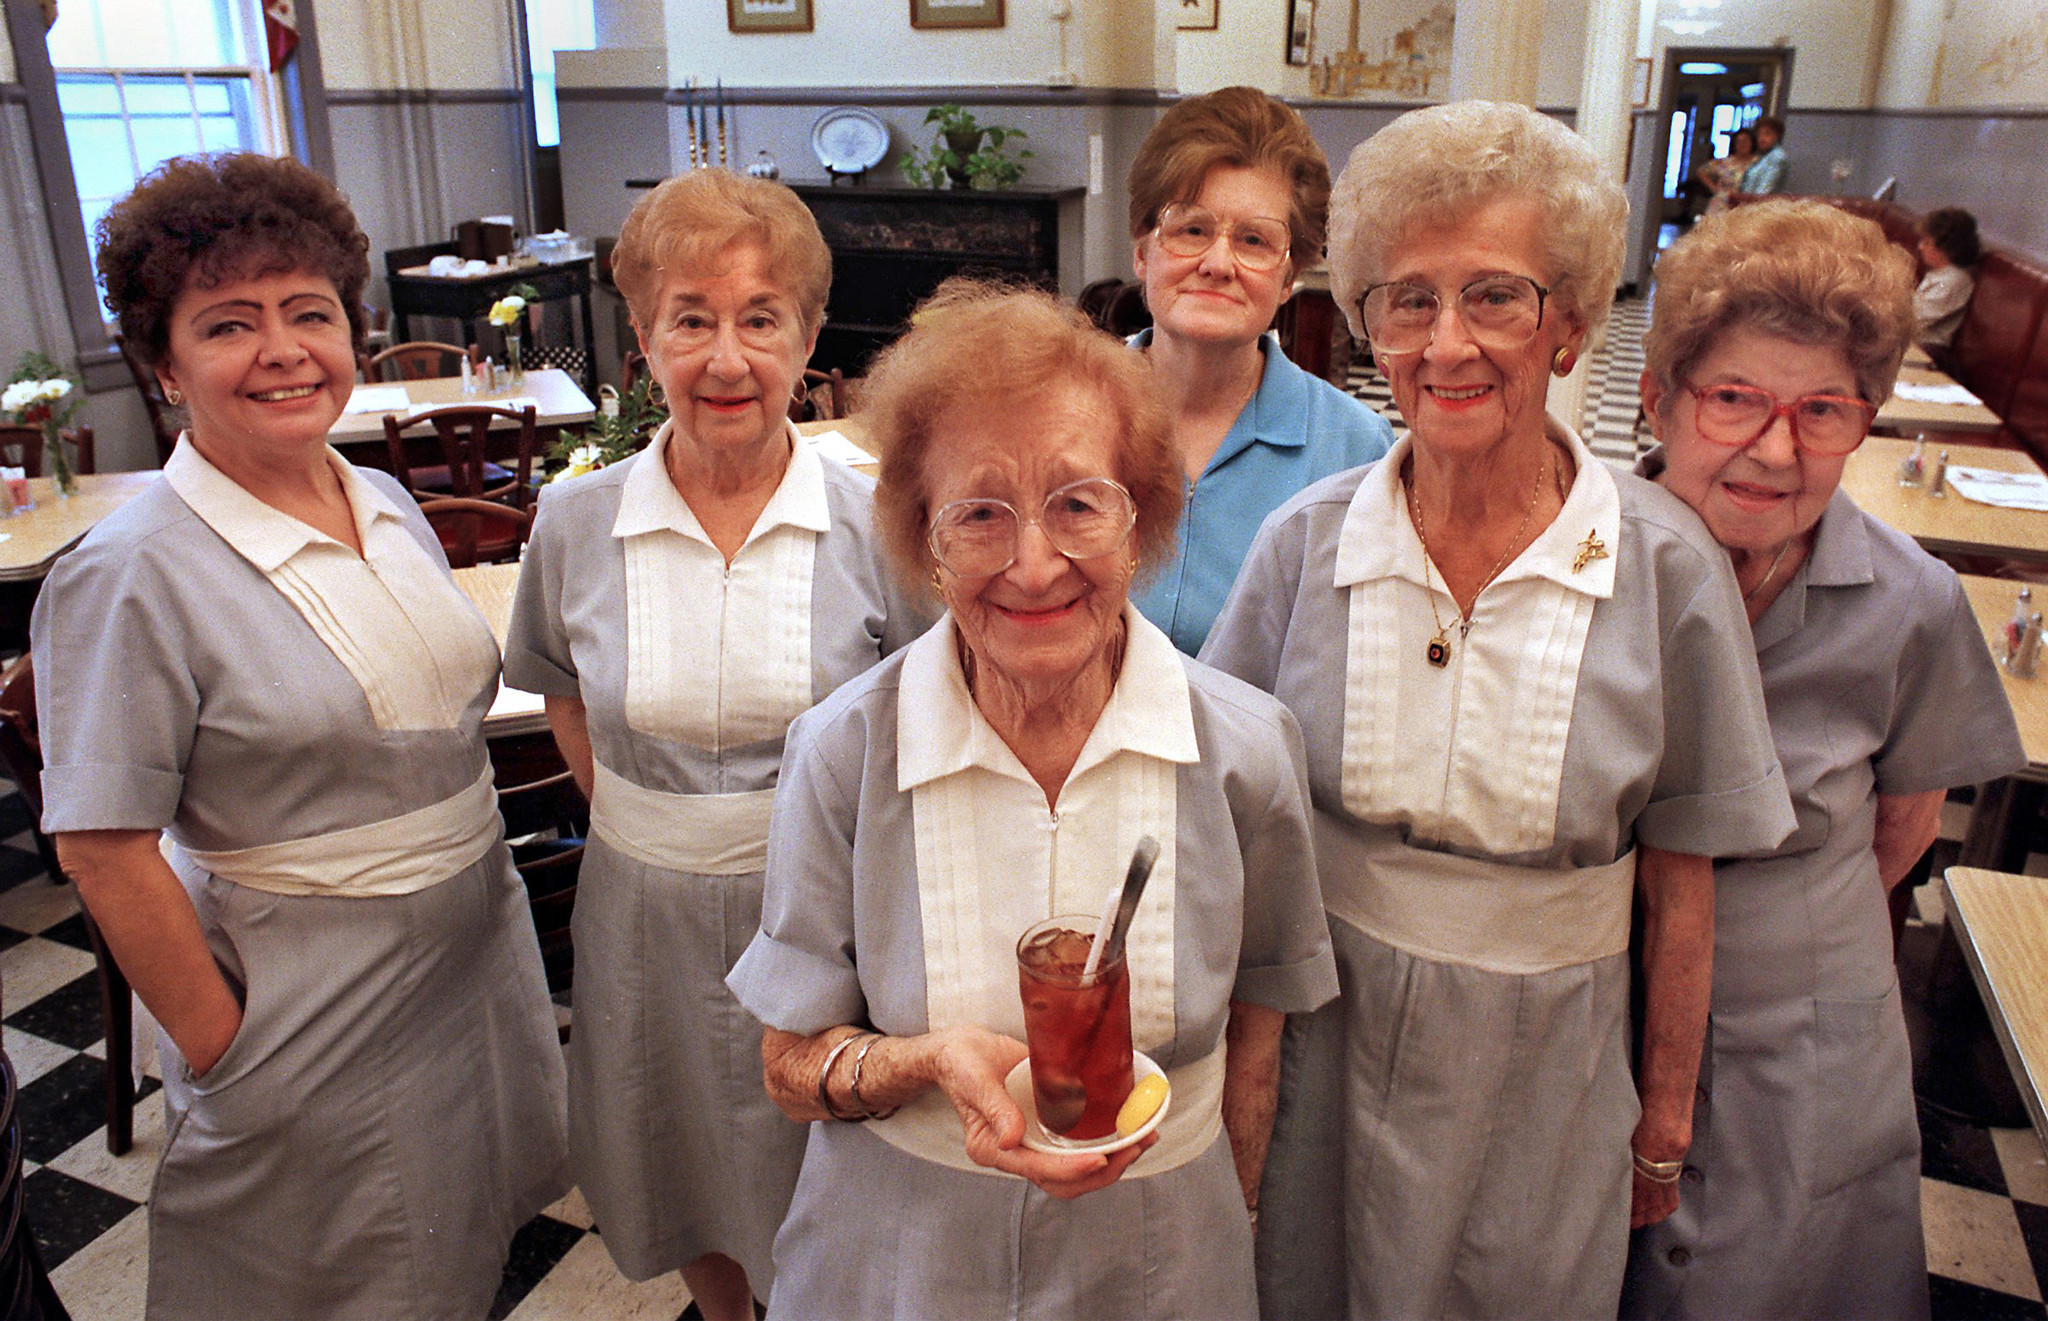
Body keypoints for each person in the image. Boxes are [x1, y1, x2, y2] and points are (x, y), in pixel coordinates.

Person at [1201, 100, 1796, 1320]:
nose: (1447, 343)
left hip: (1548, 1068)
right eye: (1406, 300)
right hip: (1324, 1035)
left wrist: (1665, 1119)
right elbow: (1227, 829)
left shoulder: (1664, 569)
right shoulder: (1304, 546)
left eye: (1495, 296)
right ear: (1366, 324)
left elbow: (1682, 876)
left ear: (1570, 323)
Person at [726, 279, 1338, 1320]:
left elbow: (1261, 1030)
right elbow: (788, 1068)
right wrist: (921, 1060)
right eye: (979, 513)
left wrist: (1226, 1220)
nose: (1033, 562)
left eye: (1075, 503)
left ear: (1137, 519)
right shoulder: (843, 752)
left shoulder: (1242, 747)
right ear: (924, 540)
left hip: (1161, 1265)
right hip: (900, 1264)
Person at [33, 153, 567, 1318]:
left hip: (472, 965)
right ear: (163, 364)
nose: (281, 350)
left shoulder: (379, 500)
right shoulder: (128, 575)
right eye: (228, 323)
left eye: (308, 313)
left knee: (452, 1254)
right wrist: (226, 1048)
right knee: (327, 1282)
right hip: (303, 1007)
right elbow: (102, 848)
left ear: (352, 334)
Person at [503, 168, 926, 1321]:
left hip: (832, 917)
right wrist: (654, 825)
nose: (725, 358)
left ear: (808, 340)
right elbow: (562, 695)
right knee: (678, 1157)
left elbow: (929, 711)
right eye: (690, 319)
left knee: (826, 1174)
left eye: (759, 319)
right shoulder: (576, 525)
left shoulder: (876, 523)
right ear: (640, 339)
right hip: (642, 915)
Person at [1620, 199, 2024, 1320]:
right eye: (1733, 398)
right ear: (1660, 397)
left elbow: (1901, 829)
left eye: (1822, 412)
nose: (1774, 447)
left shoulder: (1909, 602)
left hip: (1798, 1017)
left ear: (1866, 420)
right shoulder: (1575, 568)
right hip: (1587, 994)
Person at [1126, 86, 1395, 654]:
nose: (1218, 263)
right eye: (1191, 229)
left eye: (1253, 240)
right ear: (1143, 252)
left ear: (1290, 276)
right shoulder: (1059, 408)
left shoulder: (1354, 449)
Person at [1914, 205, 1982, 352]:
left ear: (1945, 248)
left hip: (1929, 351)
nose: (1920, 247)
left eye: (1926, 242)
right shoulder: (1940, 274)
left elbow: (1914, 320)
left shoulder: (1954, 281)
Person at [1696, 127, 1757, 216]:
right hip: (1723, 204)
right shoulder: (1725, 162)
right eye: (1738, 142)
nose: (1742, 144)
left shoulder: (1758, 163)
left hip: (1747, 204)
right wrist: (1714, 188)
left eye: (1745, 141)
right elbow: (1701, 171)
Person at [1741, 116, 1789, 194]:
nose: (1762, 138)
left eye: (1767, 134)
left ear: (1777, 136)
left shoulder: (1777, 157)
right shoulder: (1763, 156)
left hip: (1760, 203)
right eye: (1759, 134)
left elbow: (1765, 189)